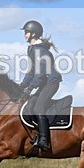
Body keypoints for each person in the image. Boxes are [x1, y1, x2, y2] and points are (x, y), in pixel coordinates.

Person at [18, 20, 62, 153]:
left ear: (33, 34)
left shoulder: (40, 51)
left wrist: (30, 88)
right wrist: (22, 86)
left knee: (38, 107)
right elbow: (31, 71)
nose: (24, 35)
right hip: (44, 82)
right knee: (30, 104)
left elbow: (41, 73)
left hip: (51, 82)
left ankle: (44, 141)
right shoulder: (32, 49)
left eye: (26, 32)